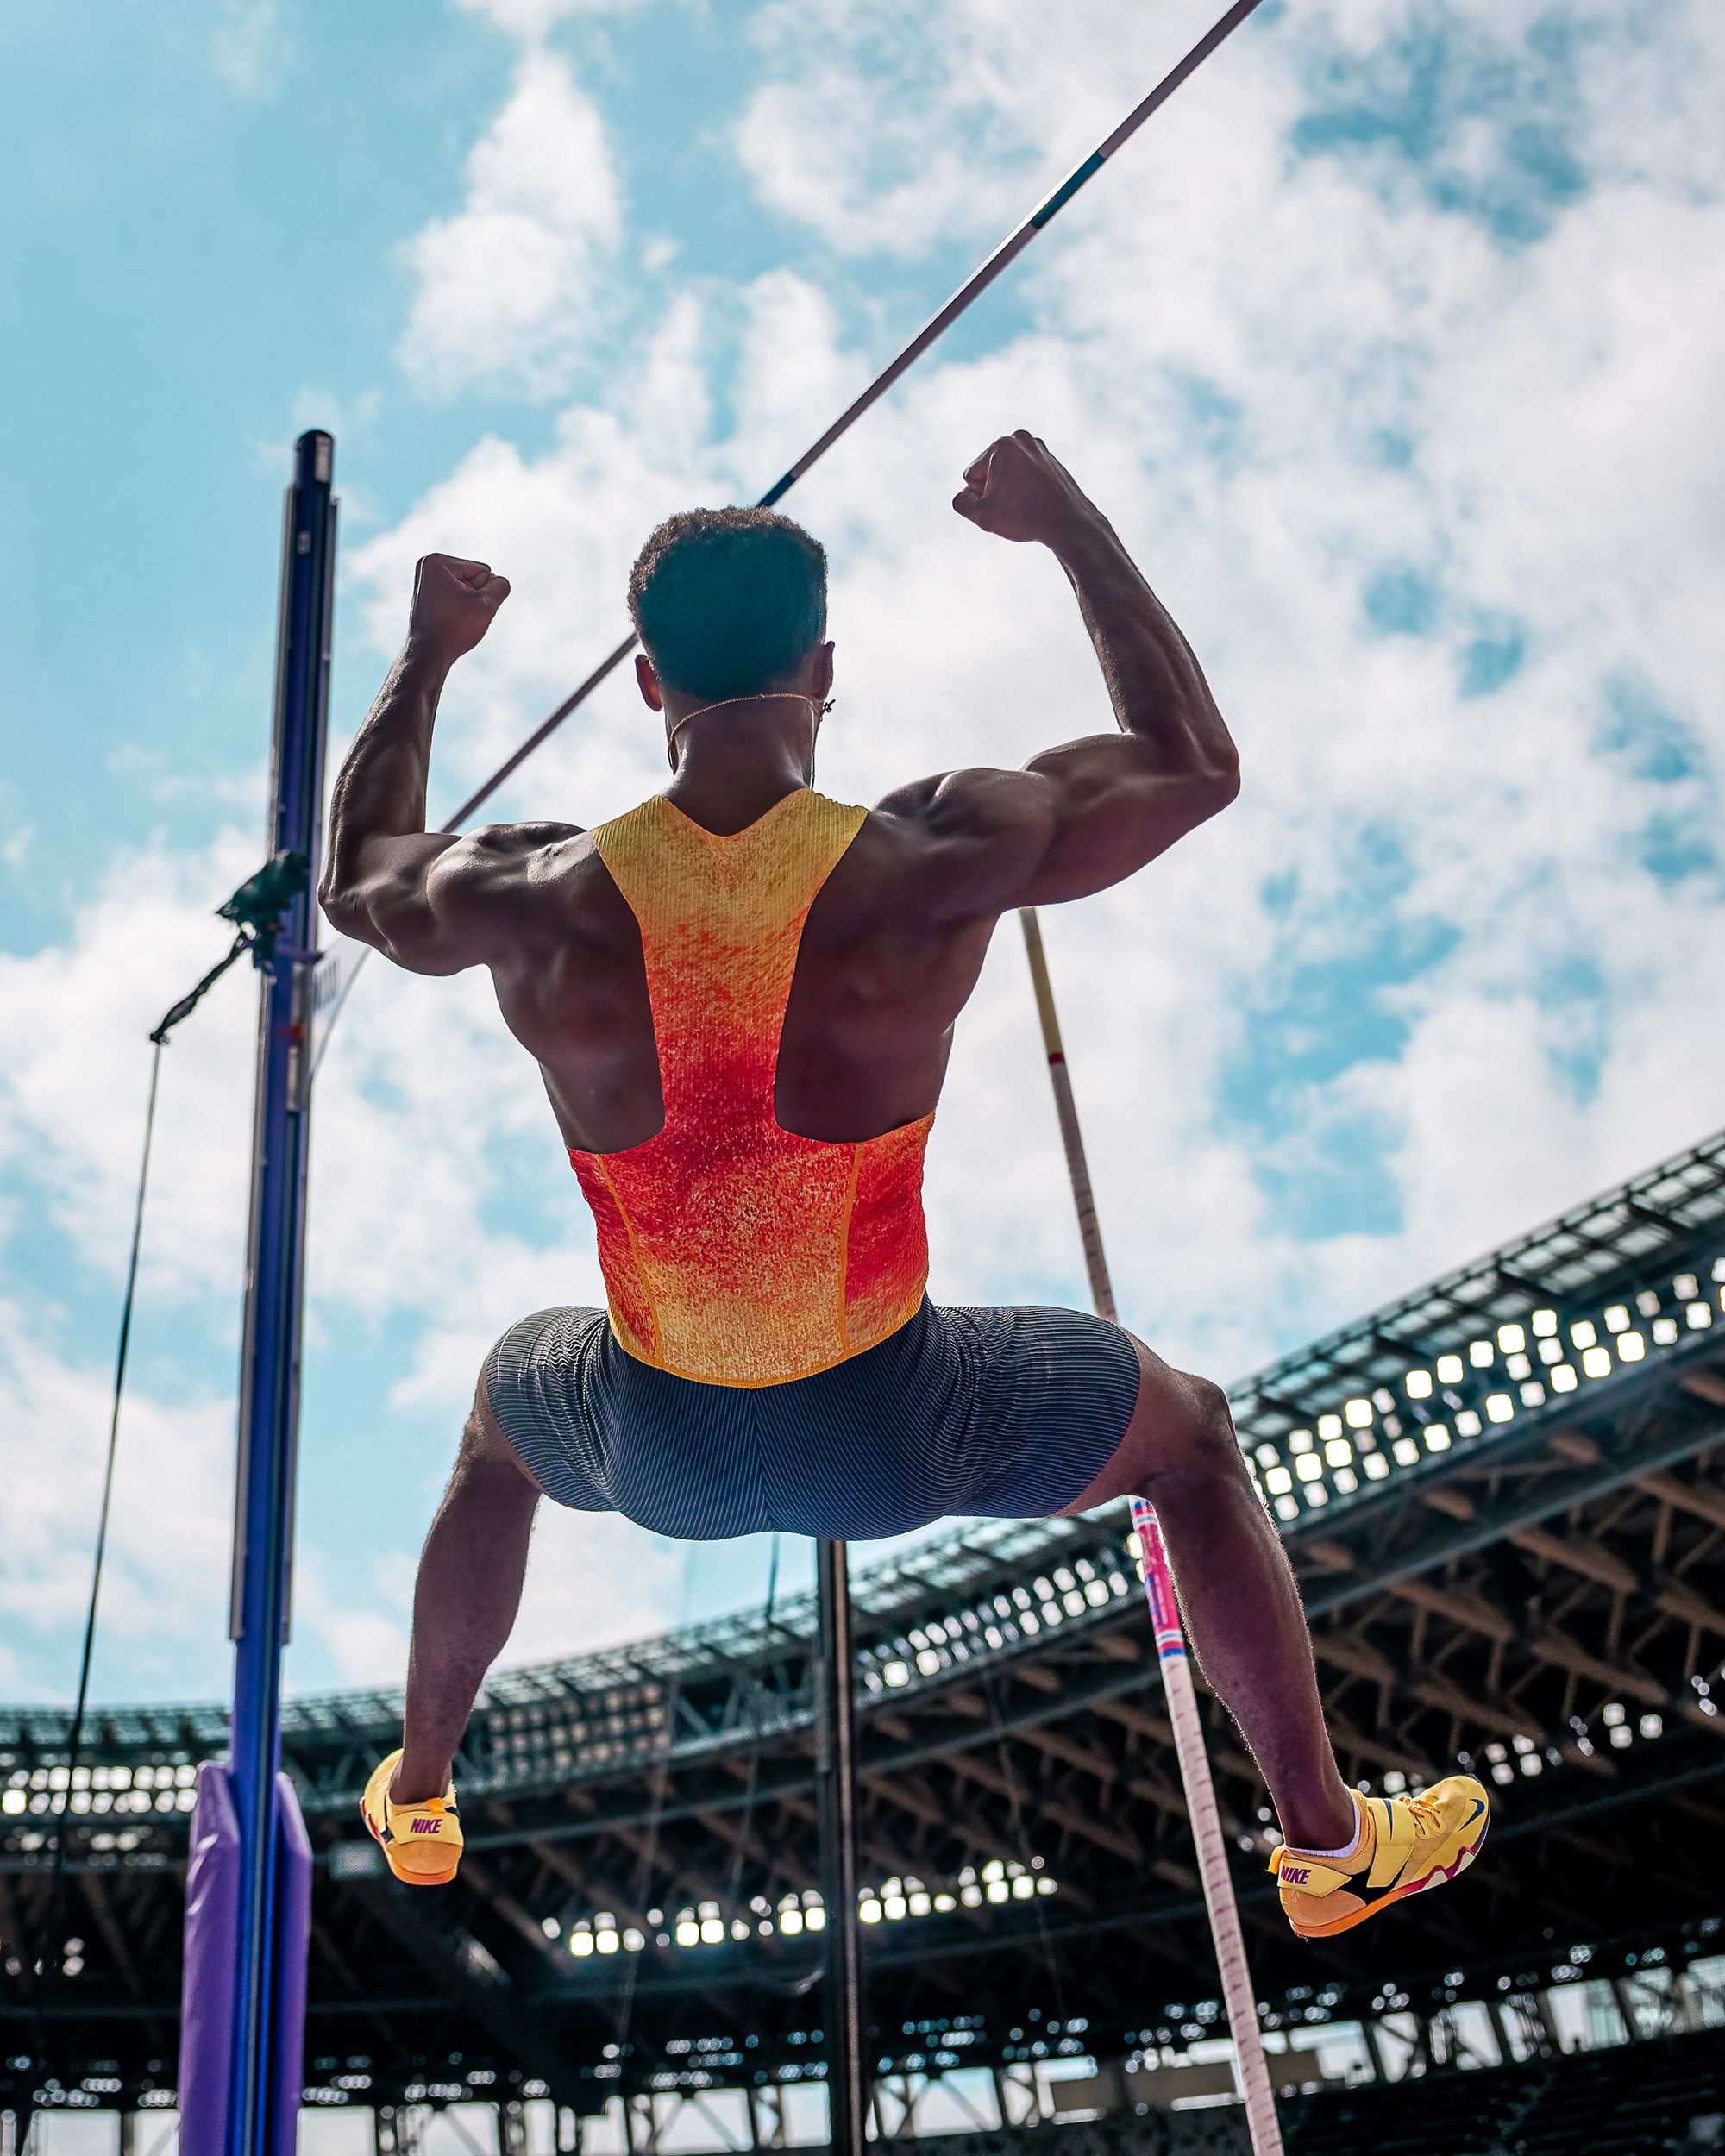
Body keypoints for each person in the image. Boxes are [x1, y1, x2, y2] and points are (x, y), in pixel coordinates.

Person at [322, 432, 1488, 1929]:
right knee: (1190, 1441)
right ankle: (1327, 1853)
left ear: (645, 684)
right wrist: (1069, 526)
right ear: (825, 668)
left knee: (501, 1428)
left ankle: (420, 1796)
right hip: (899, 1420)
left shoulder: (531, 890)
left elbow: (359, 871)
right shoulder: (936, 848)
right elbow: (1197, 766)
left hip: (652, 1436)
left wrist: (425, 658)